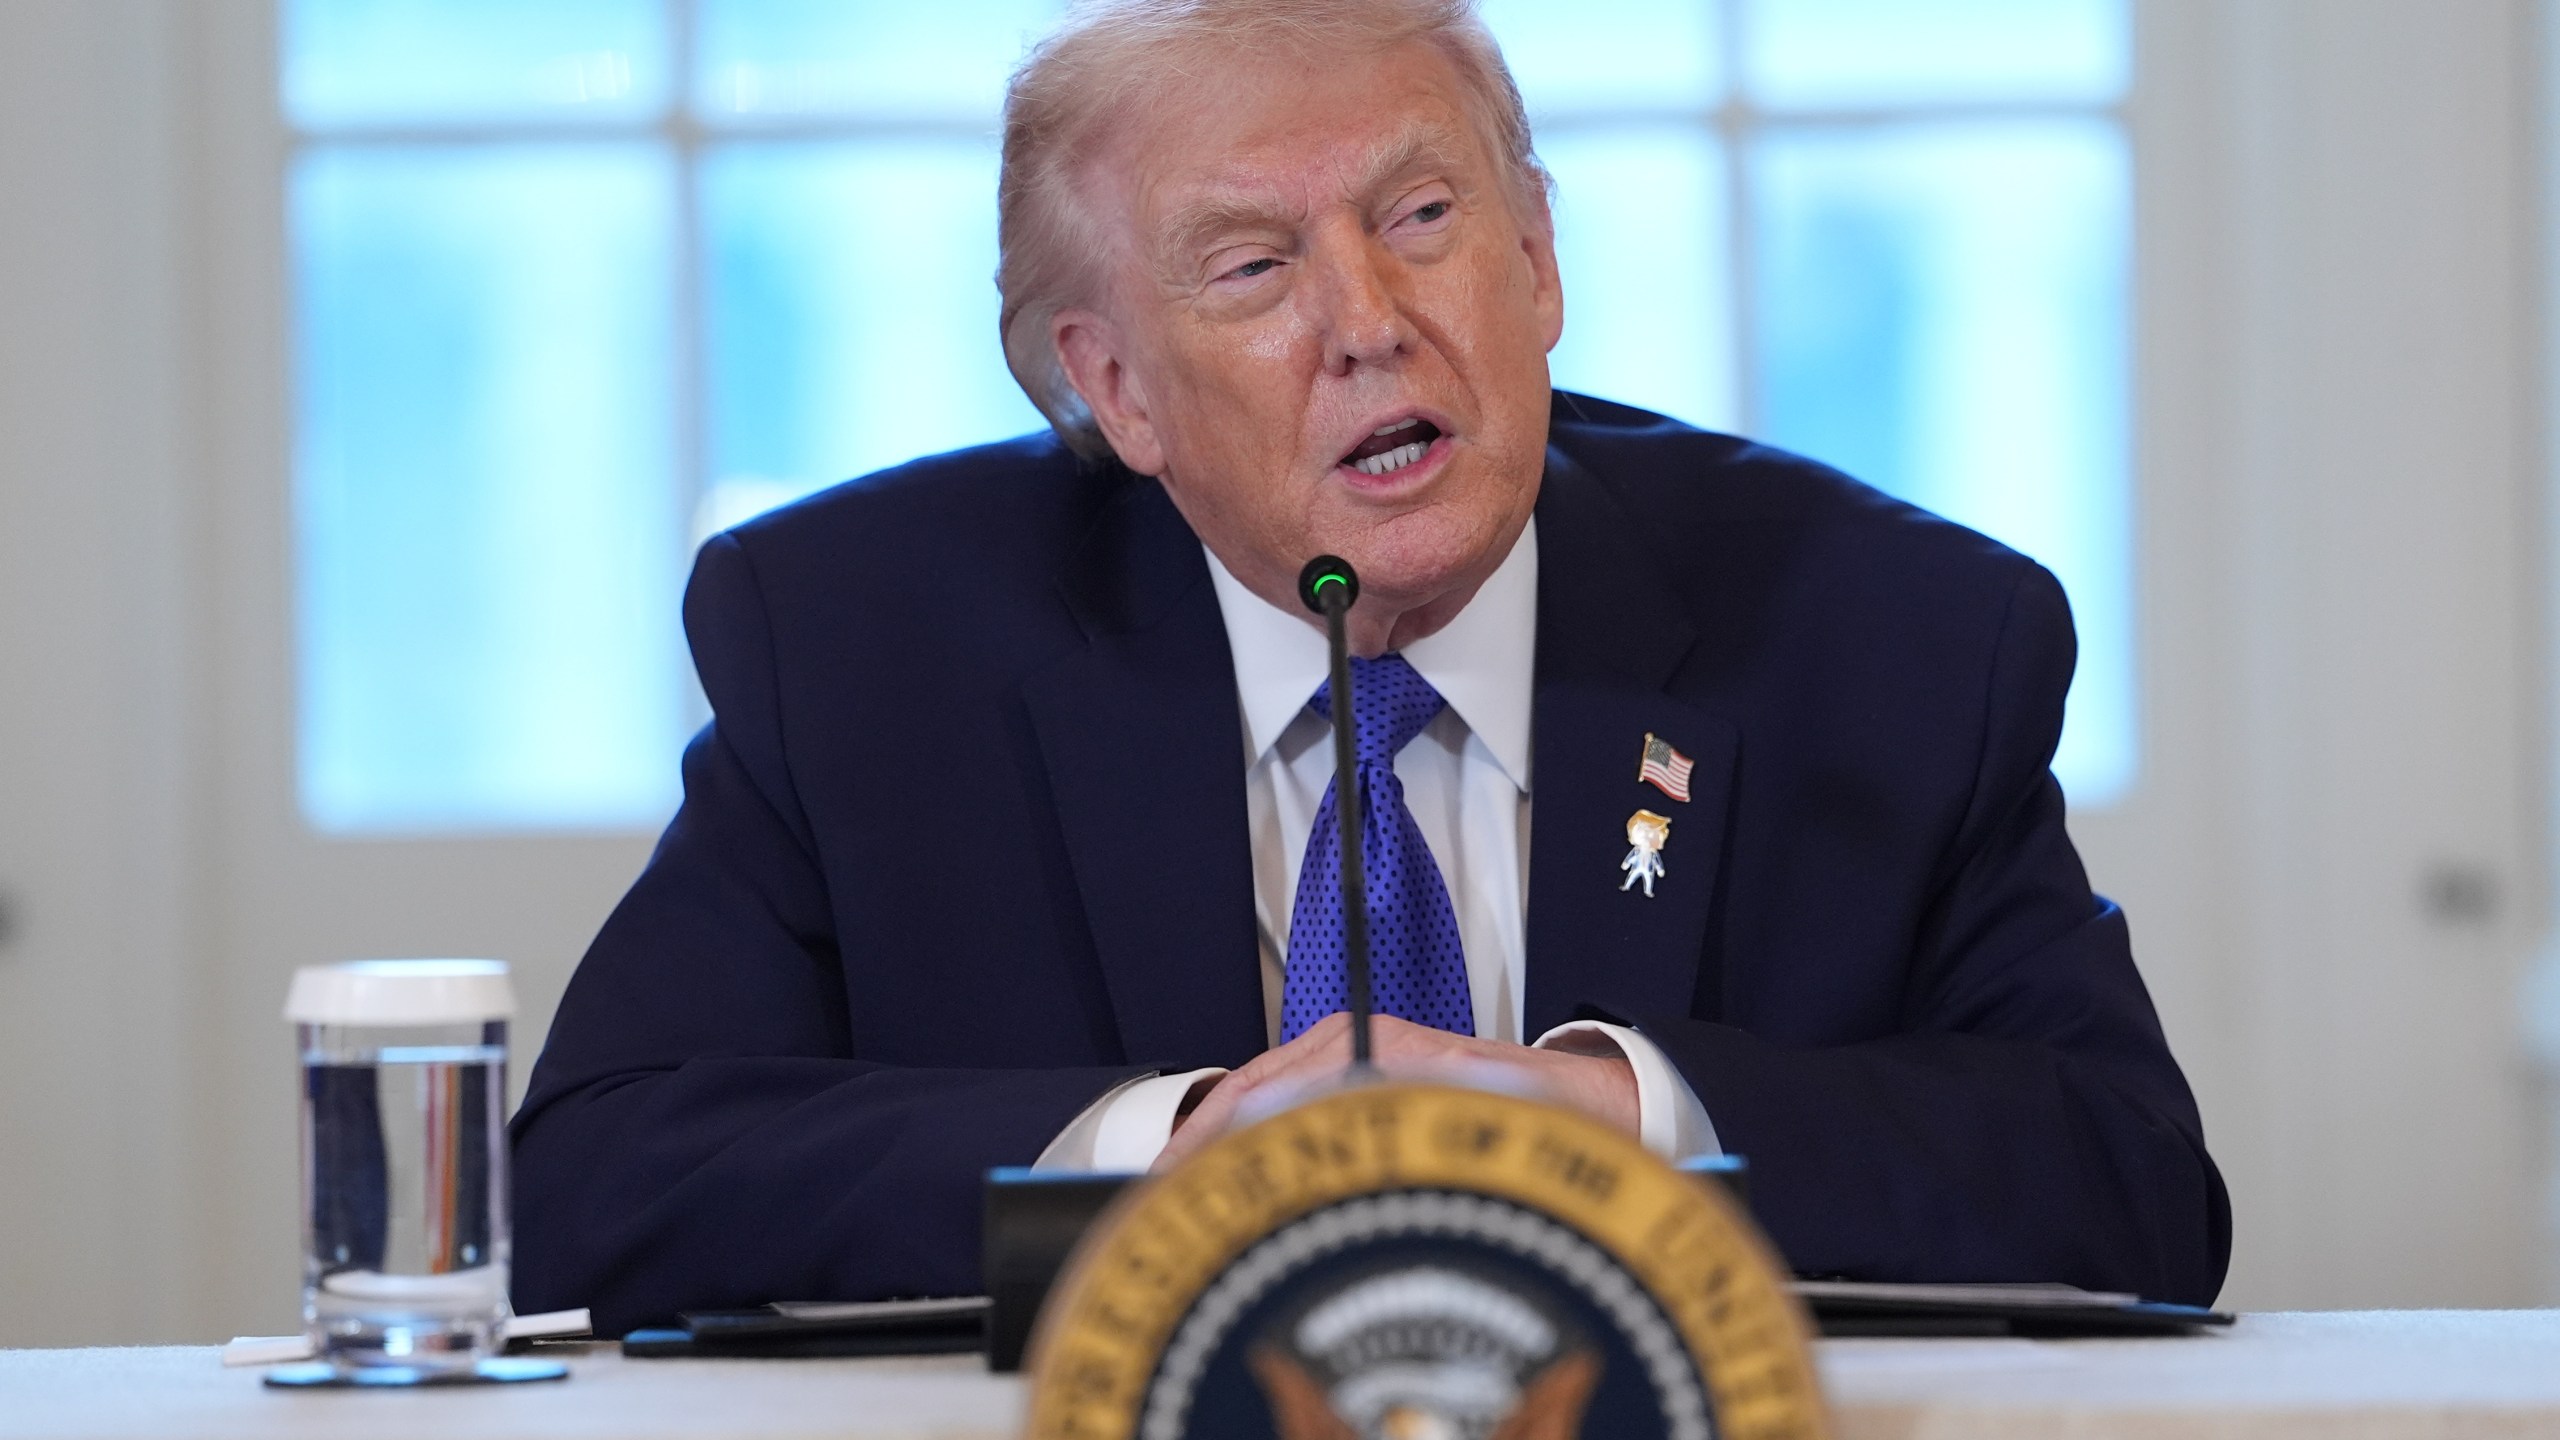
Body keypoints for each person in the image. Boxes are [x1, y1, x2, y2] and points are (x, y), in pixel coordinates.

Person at [511, 0, 2230, 1336]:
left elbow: (2130, 1179)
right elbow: (602, 1179)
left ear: (1539, 260)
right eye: (1254, 266)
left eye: (1422, 215)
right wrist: (1163, 1161)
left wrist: (1604, 1126)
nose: (1369, 318)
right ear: (1113, 389)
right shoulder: (862, 646)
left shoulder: (1894, 636)